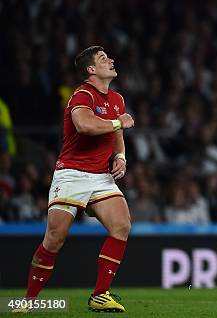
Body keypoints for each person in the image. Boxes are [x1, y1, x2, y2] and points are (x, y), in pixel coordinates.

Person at [17, 46, 134, 313]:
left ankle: (100, 294)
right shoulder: (82, 95)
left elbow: (117, 137)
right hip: (72, 174)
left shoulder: (116, 99)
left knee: (122, 225)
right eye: (104, 59)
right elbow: (85, 125)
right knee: (55, 238)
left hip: (101, 177)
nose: (112, 60)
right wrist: (118, 123)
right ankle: (29, 300)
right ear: (90, 70)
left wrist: (121, 157)